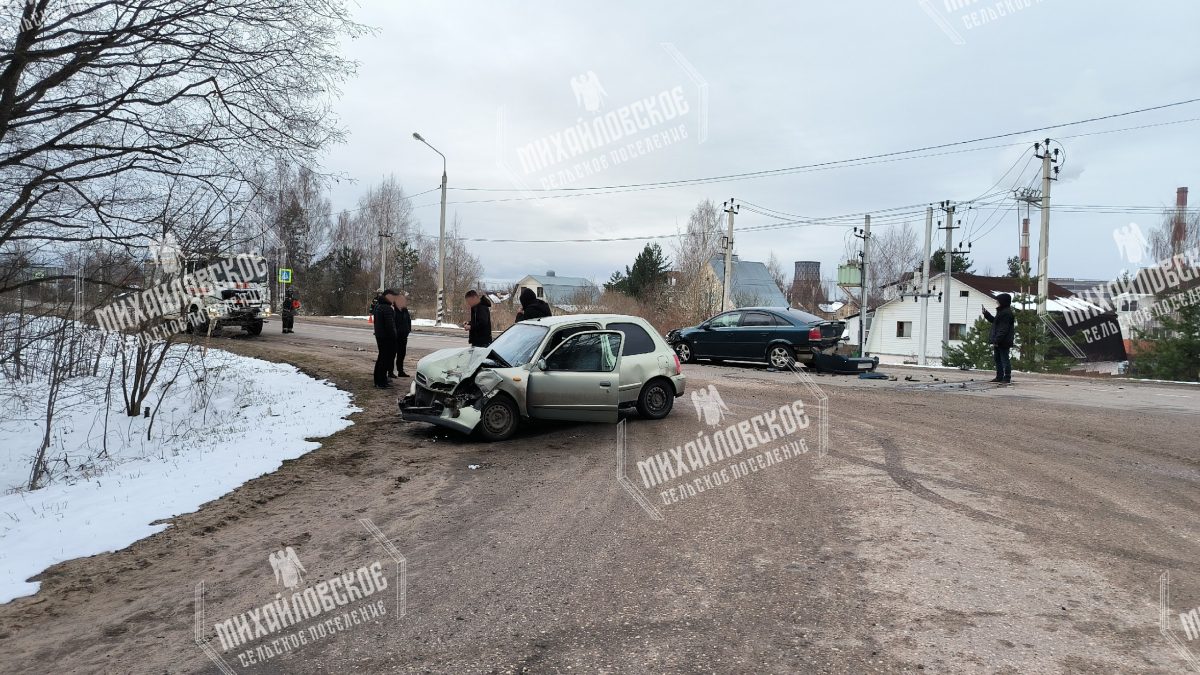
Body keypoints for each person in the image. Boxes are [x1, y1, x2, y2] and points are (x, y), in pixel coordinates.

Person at [982, 292, 1016, 383]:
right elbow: (995, 322)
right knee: (997, 358)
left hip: (1003, 341)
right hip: (999, 340)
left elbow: (1003, 329)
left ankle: (1007, 377)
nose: (997, 303)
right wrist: (987, 315)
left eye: (998, 301)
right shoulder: (1002, 312)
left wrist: (997, 339)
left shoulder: (1006, 313)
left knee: (1004, 359)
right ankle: (999, 376)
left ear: (1003, 302)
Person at [372, 289, 399, 389]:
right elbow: (390, 326)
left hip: (380, 336)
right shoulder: (387, 308)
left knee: (381, 359)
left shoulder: (378, 306)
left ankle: (379, 380)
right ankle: (381, 382)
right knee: (384, 360)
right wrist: (394, 337)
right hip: (386, 338)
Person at [390, 291, 412, 378]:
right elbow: (391, 323)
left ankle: (400, 371)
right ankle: (390, 372)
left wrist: (408, 330)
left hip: (403, 335)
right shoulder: (393, 310)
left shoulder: (405, 310)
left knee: (401, 354)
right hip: (395, 336)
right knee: (392, 354)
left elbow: (408, 320)